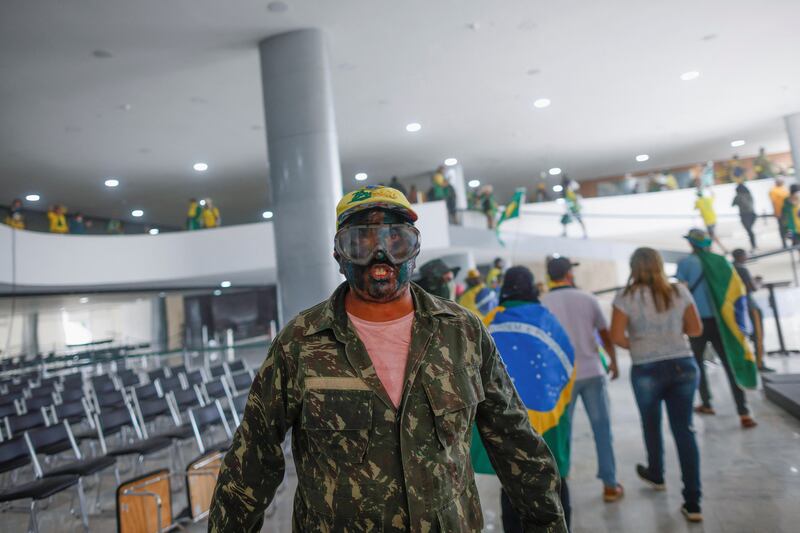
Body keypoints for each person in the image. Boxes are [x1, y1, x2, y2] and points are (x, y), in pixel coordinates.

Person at [208, 185, 567, 531]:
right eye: (360, 242)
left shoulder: (461, 332)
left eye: (396, 240)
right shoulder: (299, 343)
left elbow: (515, 441)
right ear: (339, 255)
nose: (380, 256)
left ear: (415, 250)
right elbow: (251, 461)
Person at [471, 266, 575, 531]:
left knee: (513, 481)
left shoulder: (493, 319)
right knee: (555, 481)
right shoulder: (548, 319)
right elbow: (568, 360)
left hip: (511, 421)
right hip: (550, 416)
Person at [610, 247, 704, 523]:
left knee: (651, 425)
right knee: (685, 431)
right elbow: (696, 329)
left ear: (632, 267)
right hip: (683, 364)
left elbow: (617, 336)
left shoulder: (625, 297)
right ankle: (693, 502)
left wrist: (640, 345)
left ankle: (657, 474)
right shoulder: (679, 292)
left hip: (646, 368)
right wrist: (670, 335)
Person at [541, 256, 624, 502]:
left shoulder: (543, 303)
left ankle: (560, 481)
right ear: (568, 274)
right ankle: (610, 485)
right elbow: (605, 334)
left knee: (561, 432)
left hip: (562, 379)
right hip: (592, 373)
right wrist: (614, 361)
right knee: (602, 429)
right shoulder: (587, 299)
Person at [676, 229, 756, 428]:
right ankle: (743, 411)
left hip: (697, 323)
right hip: (721, 322)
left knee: (698, 363)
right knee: (730, 362)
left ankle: (707, 403)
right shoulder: (721, 262)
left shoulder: (686, 264)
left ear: (691, 244)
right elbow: (736, 290)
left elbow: (681, 294)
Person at [732, 249, 771, 373]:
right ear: (741, 256)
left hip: (737, 307)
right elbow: (752, 288)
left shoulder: (731, 268)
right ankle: (759, 363)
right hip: (750, 306)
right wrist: (758, 282)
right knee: (758, 336)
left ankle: (745, 362)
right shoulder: (742, 269)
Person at [694, 188, 725, 253]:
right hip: (713, 219)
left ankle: (720, 249)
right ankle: (711, 249)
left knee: (712, 236)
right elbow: (713, 195)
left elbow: (695, 208)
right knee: (711, 235)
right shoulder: (708, 199)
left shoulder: (698, 202)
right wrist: (710, 189)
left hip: (707, 221)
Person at [732, 183, 757, 250]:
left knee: (749, 231)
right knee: (750, 231)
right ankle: (753, 245)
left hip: (745, 215)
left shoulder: (738, 196)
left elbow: (733, 204)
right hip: (752, 214)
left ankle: (753, 245)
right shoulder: (749, 194)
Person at [770, 178, 790, 247]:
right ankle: (784, 243)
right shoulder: (773, 191)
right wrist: (777, 213)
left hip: (787, 211)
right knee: (782, 228)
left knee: (788, 227)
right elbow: (774, 203)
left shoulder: (784, 189)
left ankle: (790, 240)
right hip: (780, 212)